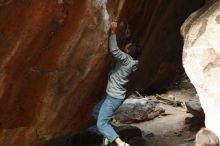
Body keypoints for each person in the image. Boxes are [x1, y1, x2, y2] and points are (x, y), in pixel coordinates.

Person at [92, 21, 142, 146]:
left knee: (101, 124)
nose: (125, 46)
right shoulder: (133, 62)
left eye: (127, 46)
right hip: (114, 96)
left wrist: (113, 31)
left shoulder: (125, 59)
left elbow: (114, 50)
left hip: (113, 98)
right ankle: (107, 136)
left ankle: (121, 143)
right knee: (96, 112)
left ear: (129, 51)